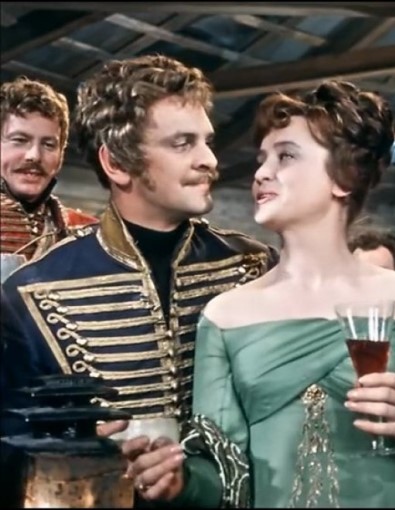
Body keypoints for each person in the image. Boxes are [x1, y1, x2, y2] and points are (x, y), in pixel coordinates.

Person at [123, 80, 395, 508]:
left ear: (344, 178)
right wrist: (179, 482)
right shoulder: (225, 316)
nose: (261, 173)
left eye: (286, 156)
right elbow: (222, 475)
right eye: (262, 159)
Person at [0, 55, 276, 440]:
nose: (210, 161)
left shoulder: (256, 265)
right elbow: (14, 446)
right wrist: (87, 452)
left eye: (207, 142)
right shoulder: (27, 295)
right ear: (115, 162)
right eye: (182, 144)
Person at [1, 77, 96, 280]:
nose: (34, 156)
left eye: (48, 145)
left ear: (61, 153)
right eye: (20, 140)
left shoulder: (89, 235)